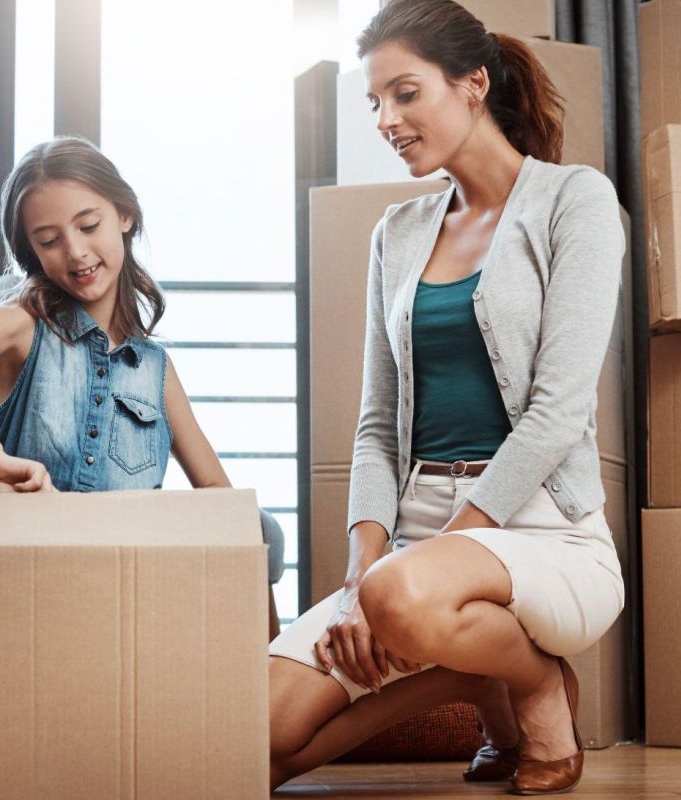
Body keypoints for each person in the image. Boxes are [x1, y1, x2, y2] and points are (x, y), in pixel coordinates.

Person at [268, 0, 625, 794]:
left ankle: (532, 687)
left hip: (542, 532)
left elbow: (559, 410)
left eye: (404, 93)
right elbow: (375, 425)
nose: (386, 120)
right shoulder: (396, 232)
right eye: (374, 103)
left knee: (404, 592)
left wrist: (408, 575)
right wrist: (365, 577)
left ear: (472, 84)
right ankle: (468, 674)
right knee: (256, 739)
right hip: (416, 546)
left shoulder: (576, 200)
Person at [0, 135, 232, 498]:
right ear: (32, 252)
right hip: (31, 550)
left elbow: (218, 491)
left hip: (127, 552)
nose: (76, 252)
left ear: (124, 215)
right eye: (49, 241)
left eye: (89, 226)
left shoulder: (155, 368)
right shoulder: (22, 324)